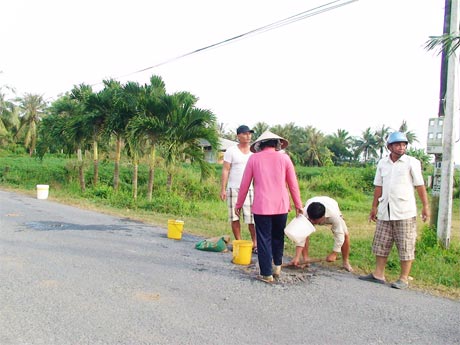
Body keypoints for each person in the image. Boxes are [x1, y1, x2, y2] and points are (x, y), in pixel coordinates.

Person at [359, 131, 430, 289]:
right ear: (390, 146)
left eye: (404, 145)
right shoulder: (383, 163)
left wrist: (425, 206)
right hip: (385, 209)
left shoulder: (412, 162)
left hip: (404, 210)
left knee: (405, 244)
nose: (401, 147)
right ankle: (378, 274)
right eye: (397, 145)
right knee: (381, 243)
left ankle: (403, 278)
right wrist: (374, 207)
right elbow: (379, 186)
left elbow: (420, 185)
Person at [235, 130, 303, 283]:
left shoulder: (254, 158)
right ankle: (277, 266)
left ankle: (267, 274)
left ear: (260, 145)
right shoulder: (285, 158)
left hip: (262, 206)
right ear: (277, 144)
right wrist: (298, 205)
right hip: (281, 206)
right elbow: (293, 185)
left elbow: (244, 184)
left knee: (264, 239)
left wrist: (238, 204)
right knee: (278, 236)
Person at [288, 196, 353, 272]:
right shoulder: (305, 213)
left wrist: (334, 253)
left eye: (315, 220)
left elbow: (339, 235)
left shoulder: (334, 216)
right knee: (305, 232)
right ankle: (306, 258)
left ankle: (345, 262)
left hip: (331, 204)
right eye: (311, 219)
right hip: (313, 201)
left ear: (323, 217)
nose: (312, 222)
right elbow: (301, 236)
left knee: (345, 234)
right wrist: (297, 257)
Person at [220, 125, 257, 252]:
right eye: (245, 134)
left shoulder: (254, 153)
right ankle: (239, 242)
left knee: (251, 218)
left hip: (249, 190)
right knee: (234, 217)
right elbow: (225, 170)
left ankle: (255, 243)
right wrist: (223, 189)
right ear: (238, 136)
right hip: (233, 188)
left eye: (249, 134)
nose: (248, 136)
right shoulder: (231, 151)